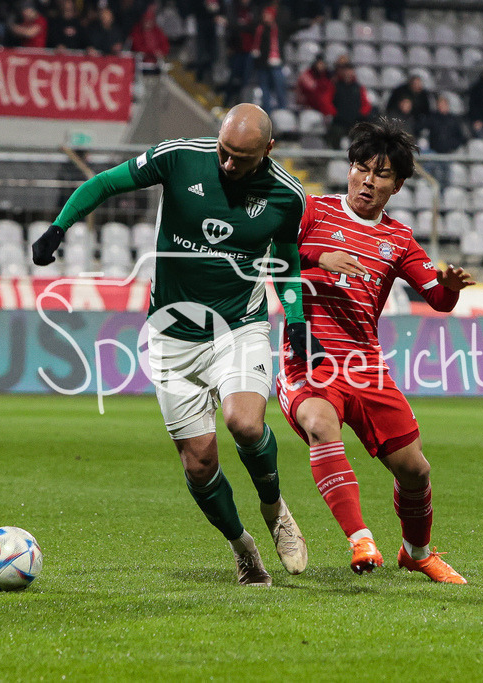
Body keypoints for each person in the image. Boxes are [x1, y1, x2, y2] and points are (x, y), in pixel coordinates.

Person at [31, 104, 318, 587]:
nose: (228, 164)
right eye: (224, 151)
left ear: (268, 150)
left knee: (245, 423)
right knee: (200, 463)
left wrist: (295, 319)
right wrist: (60, 226)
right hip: (169, 335)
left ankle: (274, 509)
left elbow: (287, 261)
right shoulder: (179, 157)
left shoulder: (287, 195)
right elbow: (105, 183)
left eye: (241, 158)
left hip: (238, 326)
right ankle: (243, 548)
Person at [276, 117, 474, 580]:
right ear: (349, 169)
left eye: (381, 174)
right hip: (309, 356)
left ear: (398, 185)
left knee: (416, 471)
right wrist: (318, 256)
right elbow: (271, 257)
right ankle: (360, 538)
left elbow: (438, 299)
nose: (368, 180)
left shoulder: (398, 239)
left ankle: (417, 552)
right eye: (361, 168)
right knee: (320, 424)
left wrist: (449, 287)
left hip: (364, 363)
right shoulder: (312, 211)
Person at [326, 57, 373, 148]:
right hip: (339, 122)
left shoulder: (359, 88)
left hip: (355, 122)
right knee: (335, 134)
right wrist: (335, 114)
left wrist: (360, 114)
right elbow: (328, 103)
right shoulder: (334, 86)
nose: (348, 73)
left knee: (361, 136)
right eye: (346, 70)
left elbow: (366, 105)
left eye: (350, 70)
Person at [422, 94, 466, 189]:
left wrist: (452, 146)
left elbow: (461, 137)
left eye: (443, 104)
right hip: (434, 152)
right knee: (432, 173)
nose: (441, 107)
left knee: (447, 176)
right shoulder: (432, 118)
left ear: (447, 105)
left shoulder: (454, 120)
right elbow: (422, 129)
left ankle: (445, 192)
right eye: (440, 105)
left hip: (449, 153)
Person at [252, 1, 290, 113]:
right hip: (262, 65)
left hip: (276, 64)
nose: (265, 17)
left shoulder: (279, 29)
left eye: (267, 15)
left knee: (279, 86)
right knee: (265, 89)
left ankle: (282, 110)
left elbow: (293, 26)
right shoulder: (259, 29)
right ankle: (266, 112)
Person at [129, 2, 170, 67]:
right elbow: (137, 47)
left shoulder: (157, 31)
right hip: (142, 61)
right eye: (146, 21)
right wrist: (152, 52)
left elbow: (165, 45)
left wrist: (161, 52)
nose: (148, 23)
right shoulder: (137, 31)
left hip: (158, 61)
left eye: (150, 21)